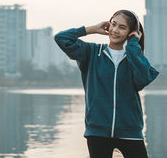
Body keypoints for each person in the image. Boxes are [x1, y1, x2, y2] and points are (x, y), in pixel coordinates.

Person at [54, 10, 159, 158]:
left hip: (130, 130)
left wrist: (133, 45)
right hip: (97, 131)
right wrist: (92, 29)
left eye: (122, 27)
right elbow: (61, 38)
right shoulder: (91, 52)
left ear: (131, 32)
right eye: (113, 24)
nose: (115, 30)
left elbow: (144, 78)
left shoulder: (134, 59)